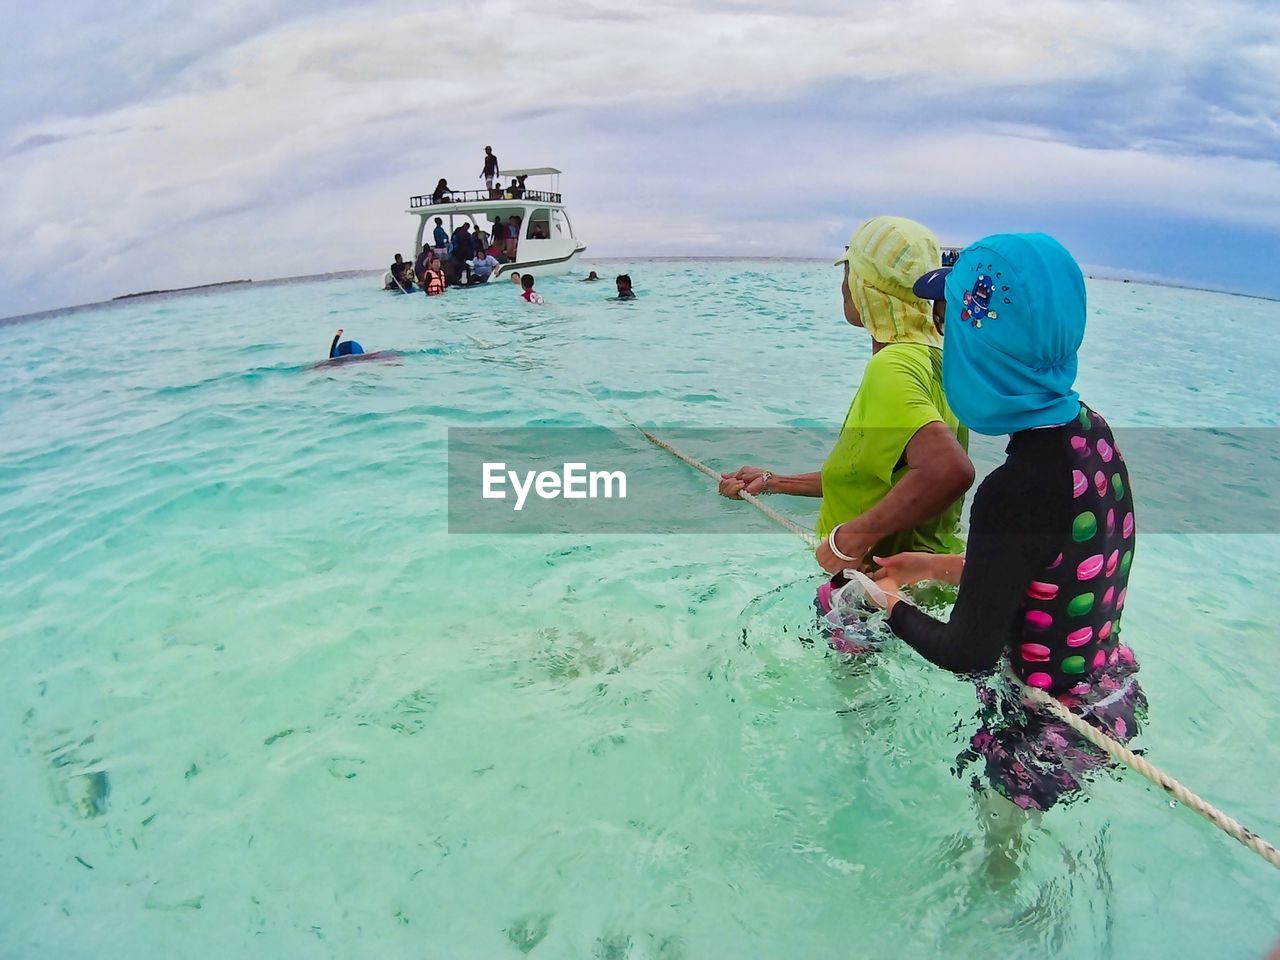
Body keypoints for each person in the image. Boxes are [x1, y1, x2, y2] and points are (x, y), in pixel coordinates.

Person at [865, 233, 1143, 814]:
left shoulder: (1012, 491)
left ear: (979, 351)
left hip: (1043, 731)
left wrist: (886, 601)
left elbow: (966, 652)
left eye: (951, 327)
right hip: (1107, 692)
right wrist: (931, 567)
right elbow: (1054, 567)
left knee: (998, 877)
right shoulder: (1092, 434)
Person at [719, 216, 972, 649]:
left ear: (868, 289)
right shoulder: (940, 361)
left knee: (853, 712)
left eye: (850, 270)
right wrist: (774, 482)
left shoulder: (891, 366)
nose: (843, 282)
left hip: (871, 594)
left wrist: (848, 538)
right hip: (917, 592)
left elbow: (948, 470)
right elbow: (882, 479)